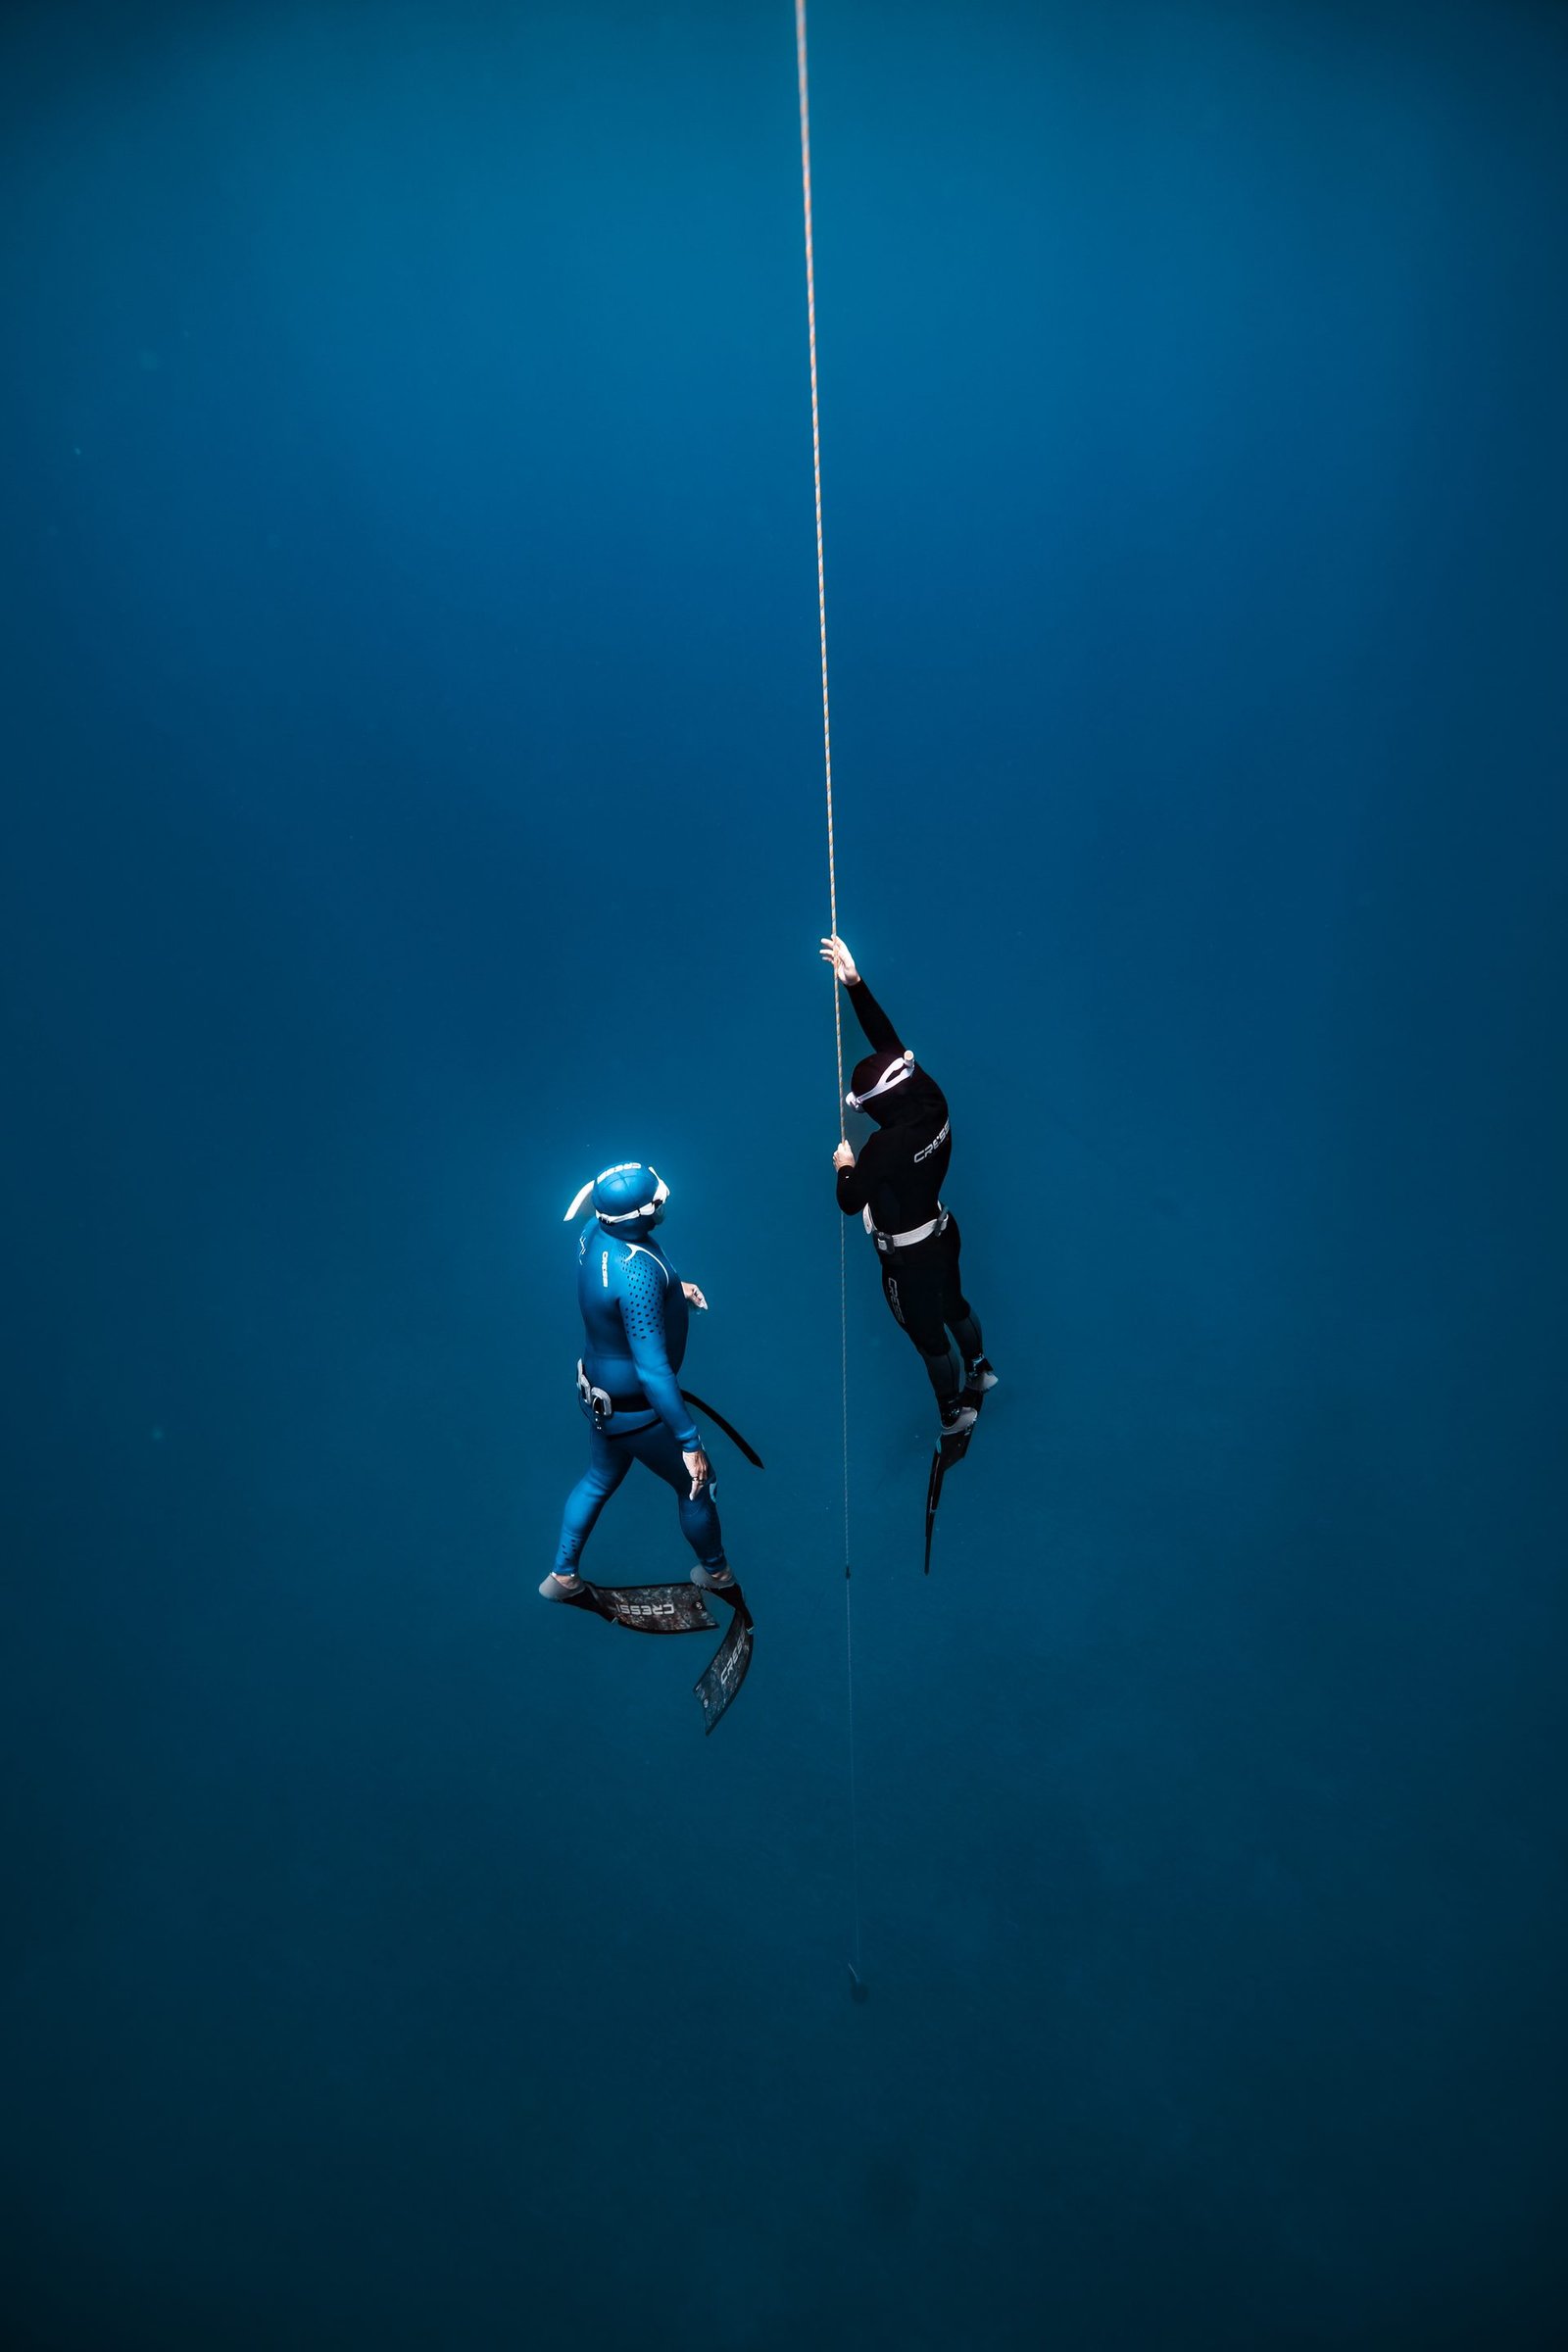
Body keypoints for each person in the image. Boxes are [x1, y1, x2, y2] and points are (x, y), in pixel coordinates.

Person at [541, 1161, 738, 1602]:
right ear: (638, 1216)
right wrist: (689, 1442)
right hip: (635, 1412)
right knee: (696, 1485)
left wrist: (673, 1292)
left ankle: (562, 1576)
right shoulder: (638, 1275)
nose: (663, 1204)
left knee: (599, 1478)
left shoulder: (594, 1233)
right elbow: (652, 1370)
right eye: (656, 1202)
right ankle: (717, 1574)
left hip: (596, 1392)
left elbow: (611, 1298)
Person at [821, 936, 996, 1434]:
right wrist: (855, 984)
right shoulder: (930, 1097)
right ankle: (980, 1369)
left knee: (929, 1339)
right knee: (955, 1305)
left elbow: (850, 1201)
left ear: (877, 1105)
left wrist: (844, 1165)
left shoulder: (884, 1148)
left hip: (907, 1261)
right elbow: (889, 1046)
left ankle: (951, 1413)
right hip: (942, 1234)